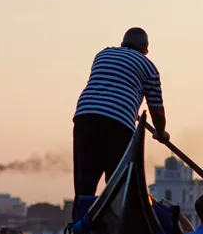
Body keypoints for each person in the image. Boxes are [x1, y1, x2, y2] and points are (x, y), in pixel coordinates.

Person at [71, 27, 168, 220]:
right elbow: (156, 109)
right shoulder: (149, 67)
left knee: (85, 181)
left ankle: (80, 224)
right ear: (145, 49)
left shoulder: (103, 55)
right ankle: (112, 224)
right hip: (118, 122)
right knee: (116, 183)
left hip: (85, 116)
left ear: (123, 43)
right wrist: (161, 132)